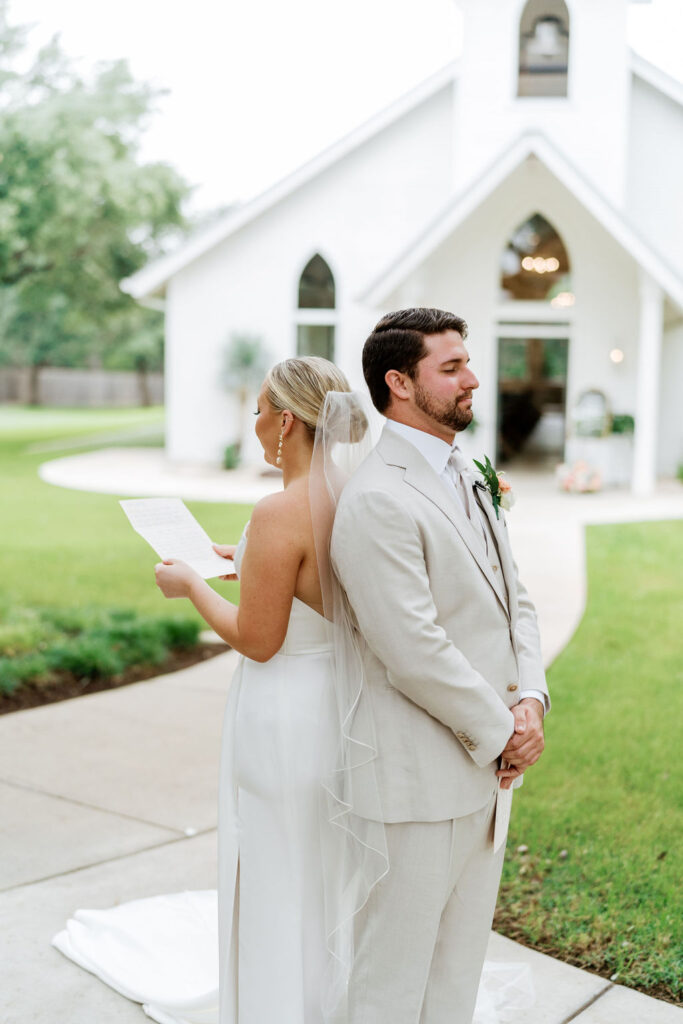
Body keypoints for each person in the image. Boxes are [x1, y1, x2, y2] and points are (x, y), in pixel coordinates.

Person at [52, 346, 538, 1024]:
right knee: (333, 875)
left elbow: (259, 638)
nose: (253, 423)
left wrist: (190, 584)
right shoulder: (362, 495)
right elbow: (317, 584)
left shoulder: (279, 511)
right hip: (347, 714)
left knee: (279, 869)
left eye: (257, 411)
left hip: (284, 713)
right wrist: (243, 556)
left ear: (284, 423)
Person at [330, 307, 549, 1024]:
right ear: (398, 382)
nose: (472, 380)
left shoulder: (469, 473)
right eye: (450, 368)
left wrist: (532, 701)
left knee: (457, 970)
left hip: (486, 770)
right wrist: (503, 732)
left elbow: (514, 596)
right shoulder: (375, 498)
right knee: (390, 979)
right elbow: (412, 649)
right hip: (417, 779)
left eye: (466, 362)